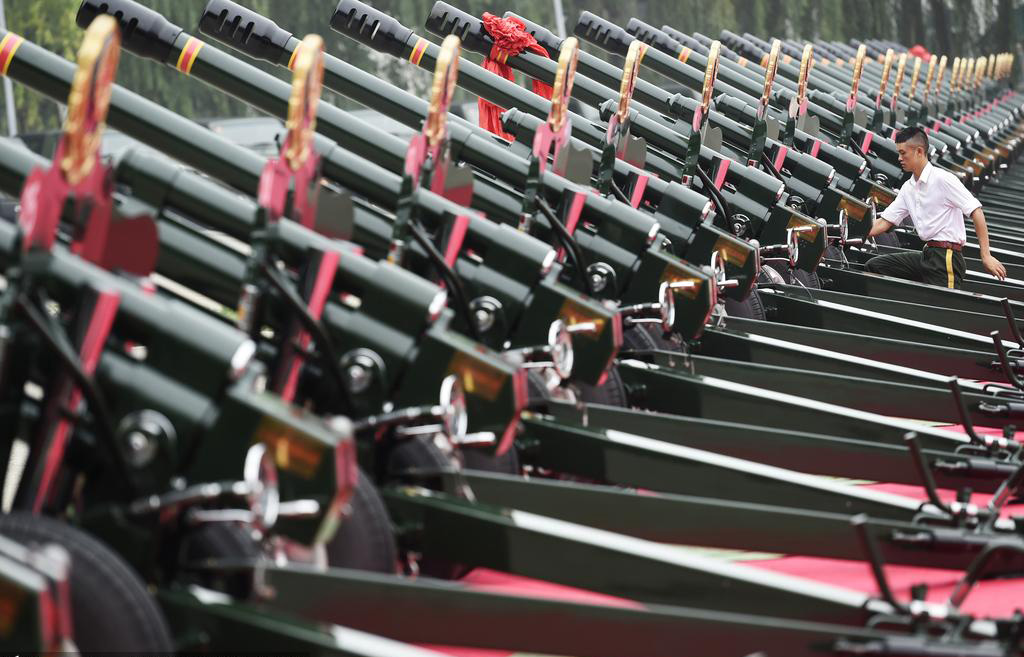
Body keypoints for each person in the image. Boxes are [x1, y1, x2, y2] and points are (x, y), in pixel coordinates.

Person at [865, 126, 1006, 289]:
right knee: (875, 266)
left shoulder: (943, 179)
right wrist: (853, 232)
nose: (899, 158)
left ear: (919, 151)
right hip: (928, 255)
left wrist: (986, 256)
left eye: (903, 153)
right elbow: (884, 222)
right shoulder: (908, 187)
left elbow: (976, 211)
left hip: (946, 259)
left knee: (942, 302)